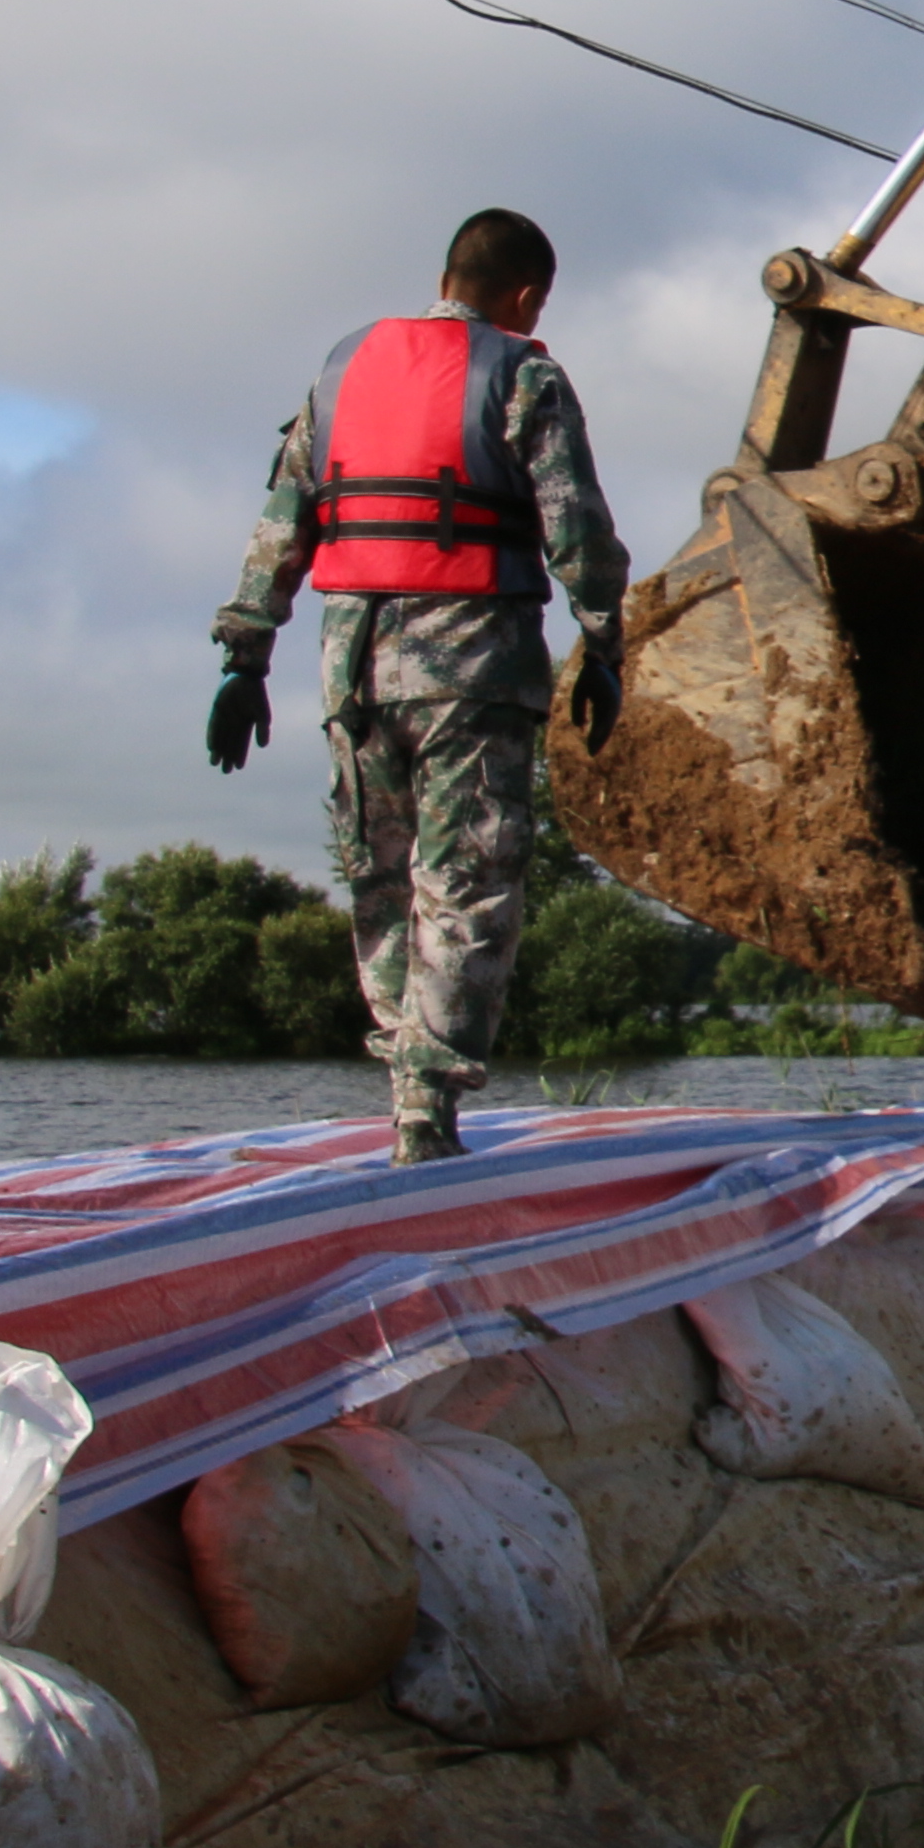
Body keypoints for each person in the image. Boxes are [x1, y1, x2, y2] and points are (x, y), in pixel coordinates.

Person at [212, 208, 631, 1163]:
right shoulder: (525, 373)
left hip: (351, 669)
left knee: (380, 877)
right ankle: (425, 1112)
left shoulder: (341, 370)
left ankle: (404, 1089)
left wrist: (245, 657)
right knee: (467, 884)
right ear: (525, 297)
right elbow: (577, 528)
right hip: (470, 667)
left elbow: (283, 522)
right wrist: (603, 643)